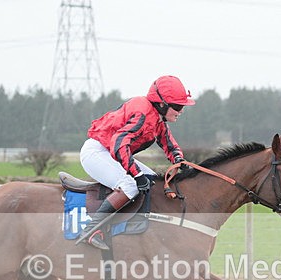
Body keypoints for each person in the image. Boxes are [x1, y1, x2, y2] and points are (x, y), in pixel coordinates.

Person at [78, 75, 196, 250]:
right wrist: (136, 174)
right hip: (97, 152)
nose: (181, 111)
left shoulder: (156, 117)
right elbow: (118, 145)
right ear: (162, 103)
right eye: (178, 106)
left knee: (152, 180)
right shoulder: (143, 113)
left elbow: (168, 142)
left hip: (110, 152)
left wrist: (178, 158)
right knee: (131, 184)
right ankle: (91, 230)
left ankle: (141, 228)